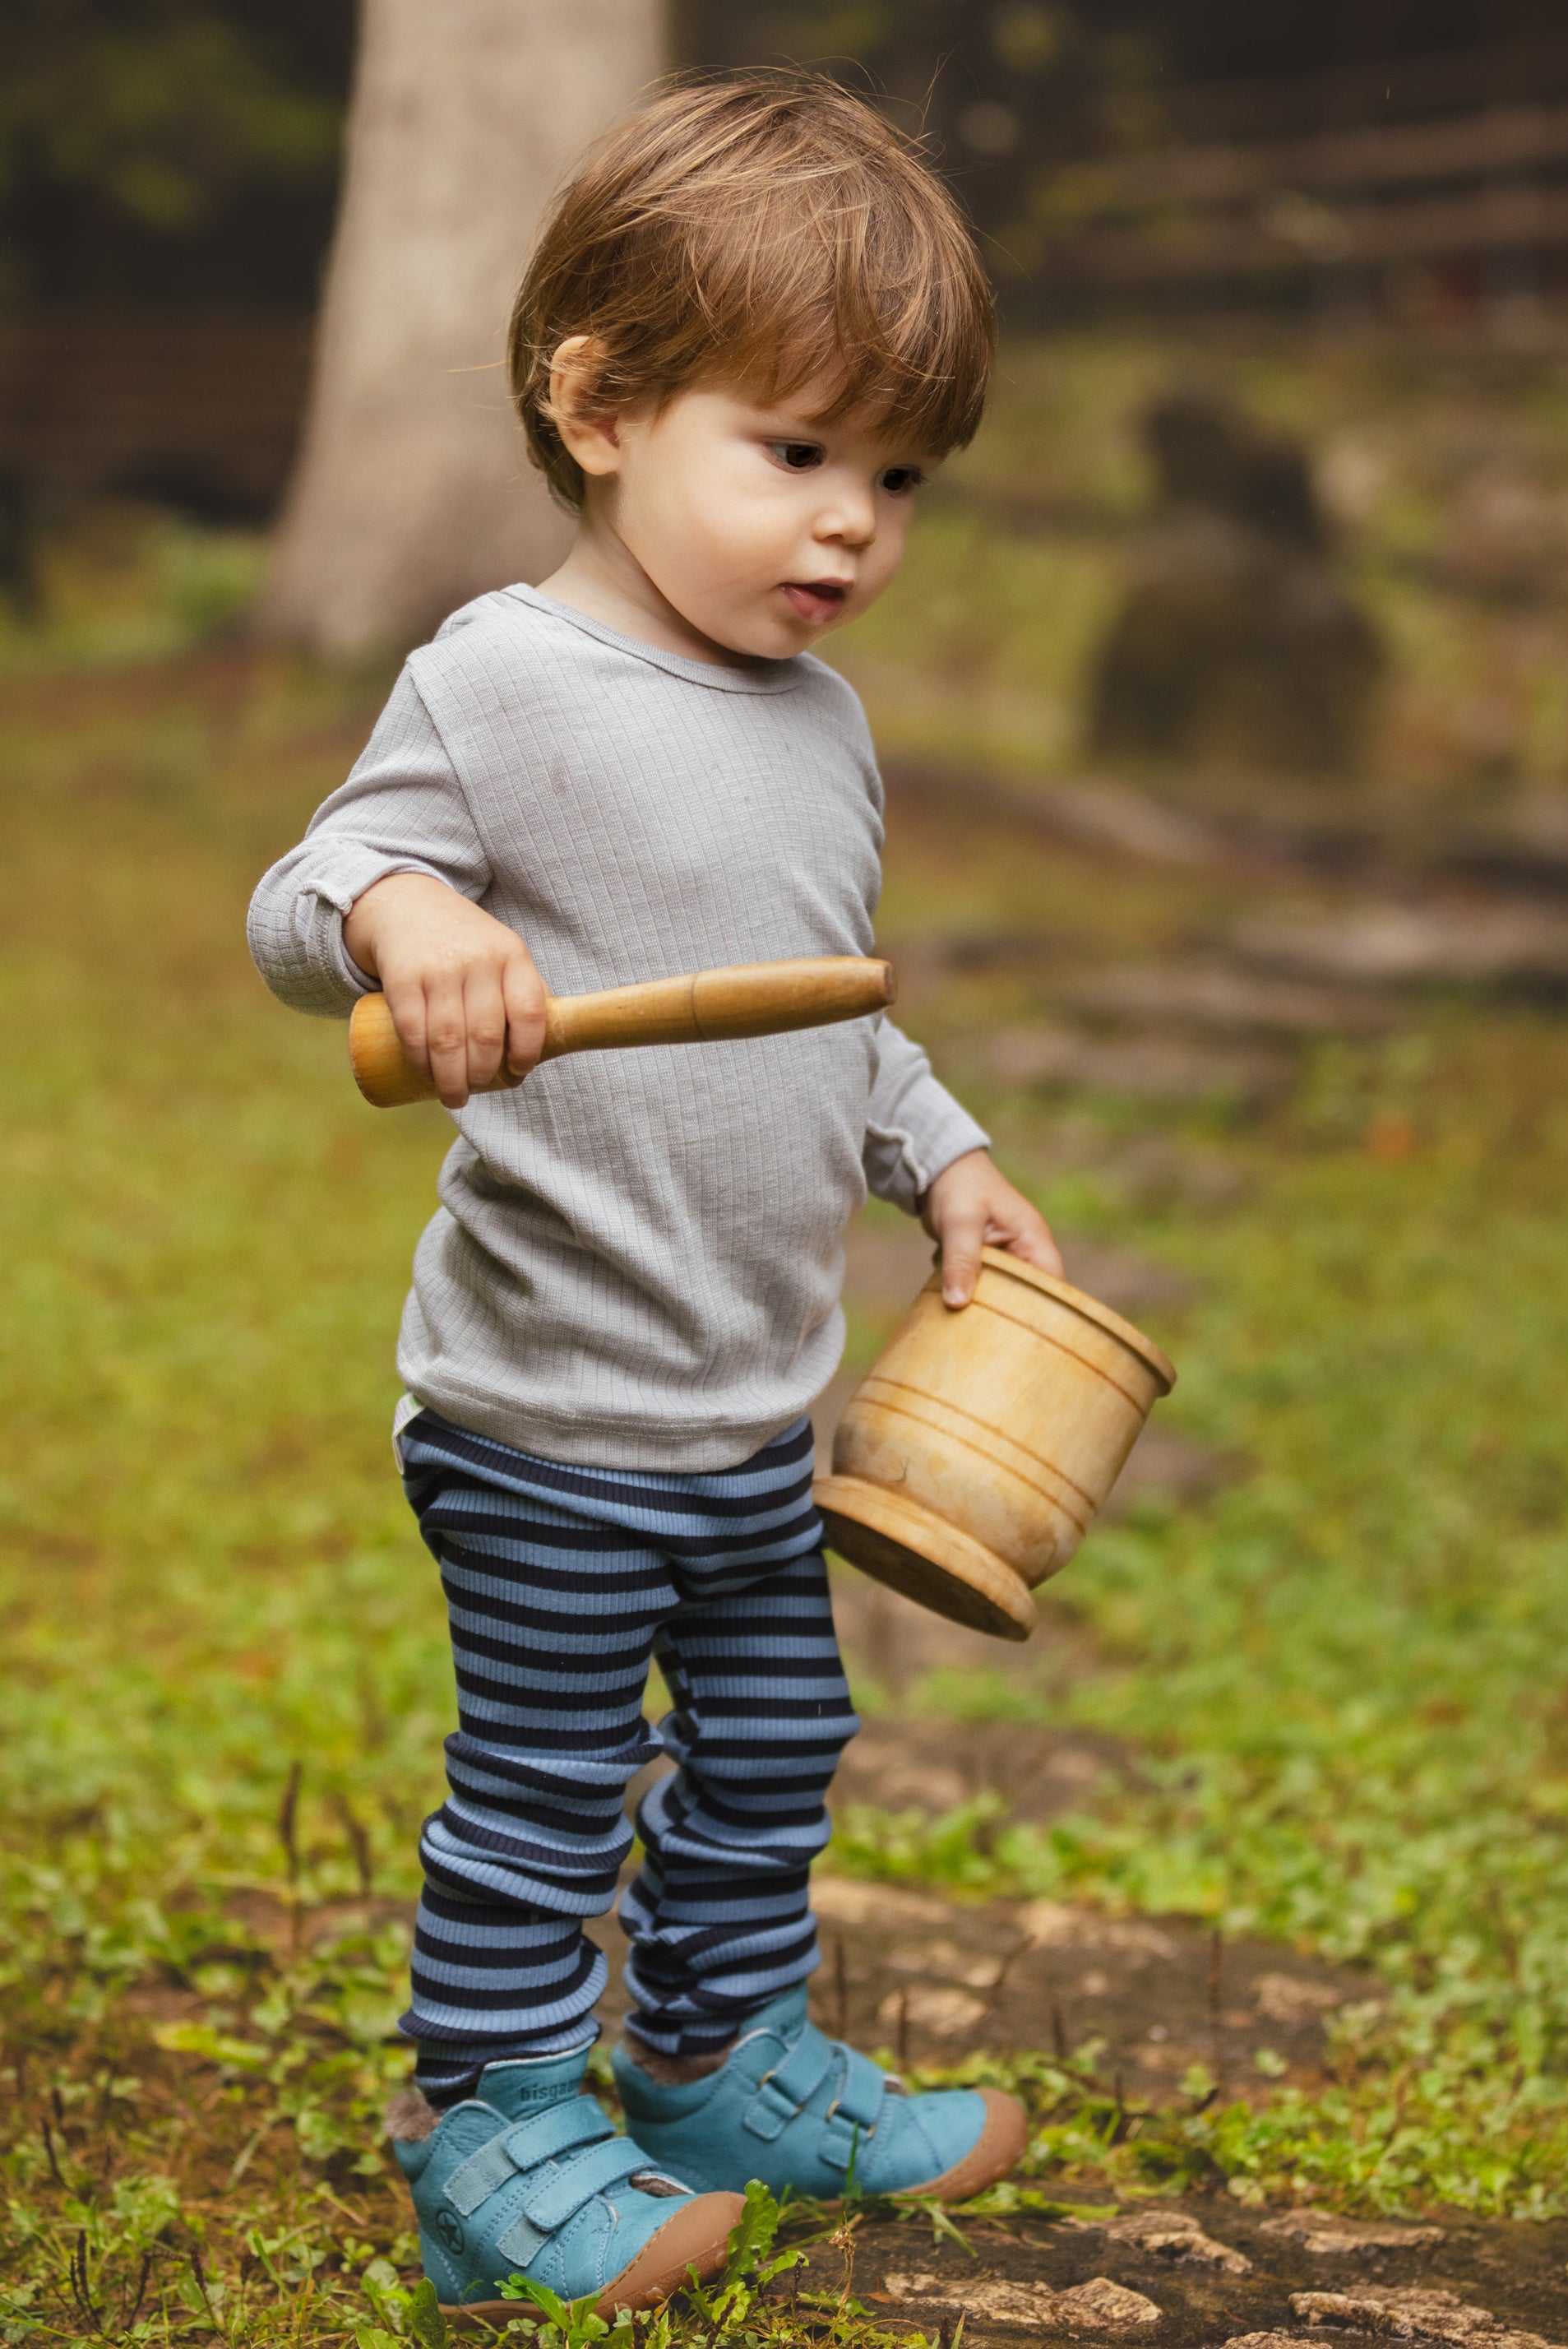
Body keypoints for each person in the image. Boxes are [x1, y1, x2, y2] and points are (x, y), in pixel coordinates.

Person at [248, 72, 1062, 2321]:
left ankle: (713, 2058)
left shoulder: (830, 730)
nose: (850, 527)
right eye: (795, 454)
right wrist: (414, 926)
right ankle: (487, 2121)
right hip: (542, 1411)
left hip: (743, 1411)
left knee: (779, 1740)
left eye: (896, 478)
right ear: (597, 401)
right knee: (549, 1775)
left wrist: (947, 1153)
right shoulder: (503, 677)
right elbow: (307, 889)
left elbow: (815, 1008)